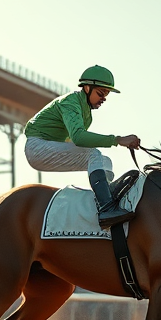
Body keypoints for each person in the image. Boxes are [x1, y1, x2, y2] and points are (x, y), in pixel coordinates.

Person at [23, 65, 141, 229]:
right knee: (93, 154)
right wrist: (118, 140)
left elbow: (76, 142)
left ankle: (104, 201)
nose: (103, 99)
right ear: (87, 87)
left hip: (47, 148)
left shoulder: (86, 114)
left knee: (104, 161)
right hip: (38, 148)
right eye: (101, 93)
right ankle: (106, 208)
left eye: (106, 95)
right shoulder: (71, 101)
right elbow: (79, 138)